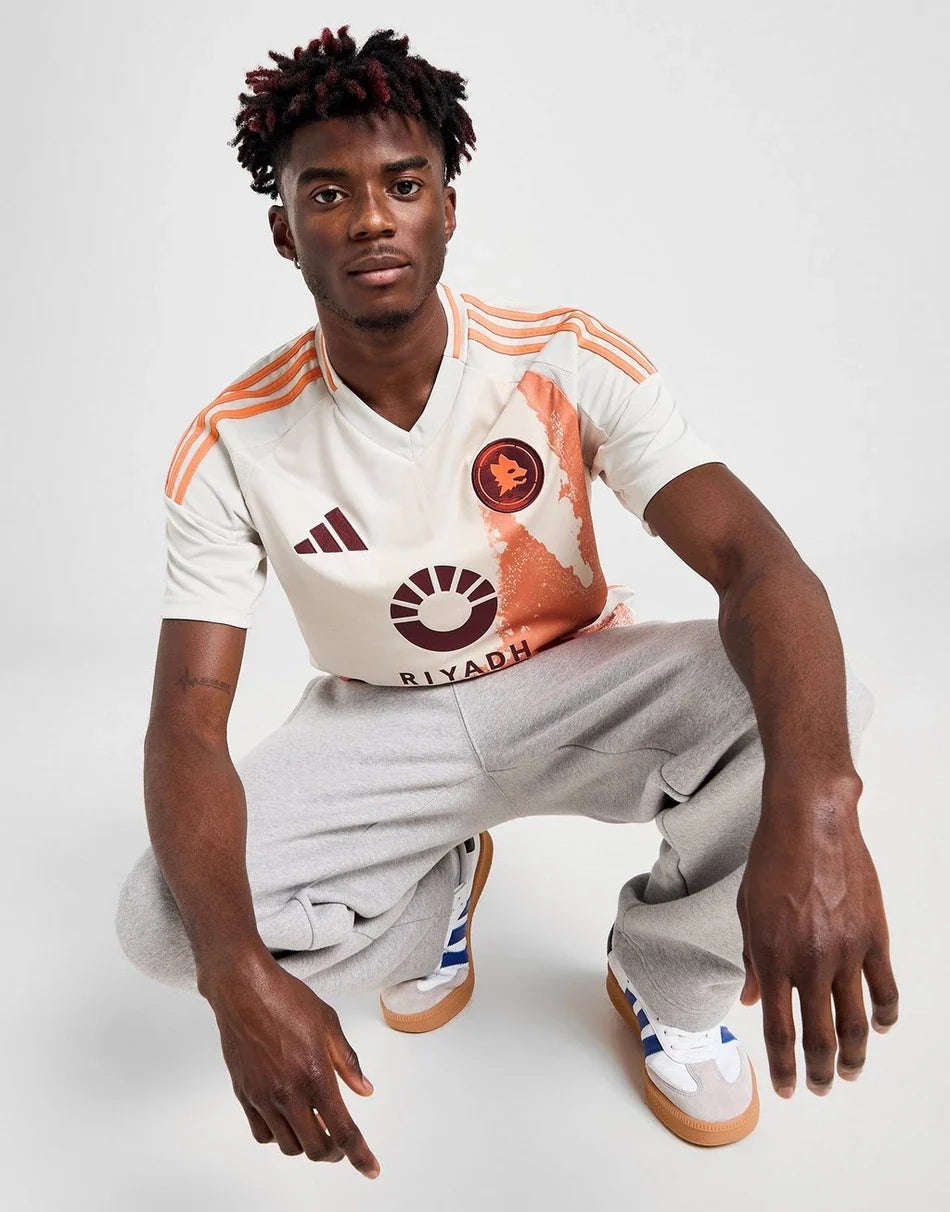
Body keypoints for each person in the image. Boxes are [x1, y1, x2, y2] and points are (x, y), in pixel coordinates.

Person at [114, 24, 899, 1178]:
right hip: (382, 723)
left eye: (403, 185)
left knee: (808, 706)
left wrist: (821, 809)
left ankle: (668, 978)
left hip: (575, 685)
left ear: (445, 208)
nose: (370, 218)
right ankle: (431, 890)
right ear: (284, 231)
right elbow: (187, 716)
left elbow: (755, 561)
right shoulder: (232, 443)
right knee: (164, 922)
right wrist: (234, 976)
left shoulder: (559, 359)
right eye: (327, 193)